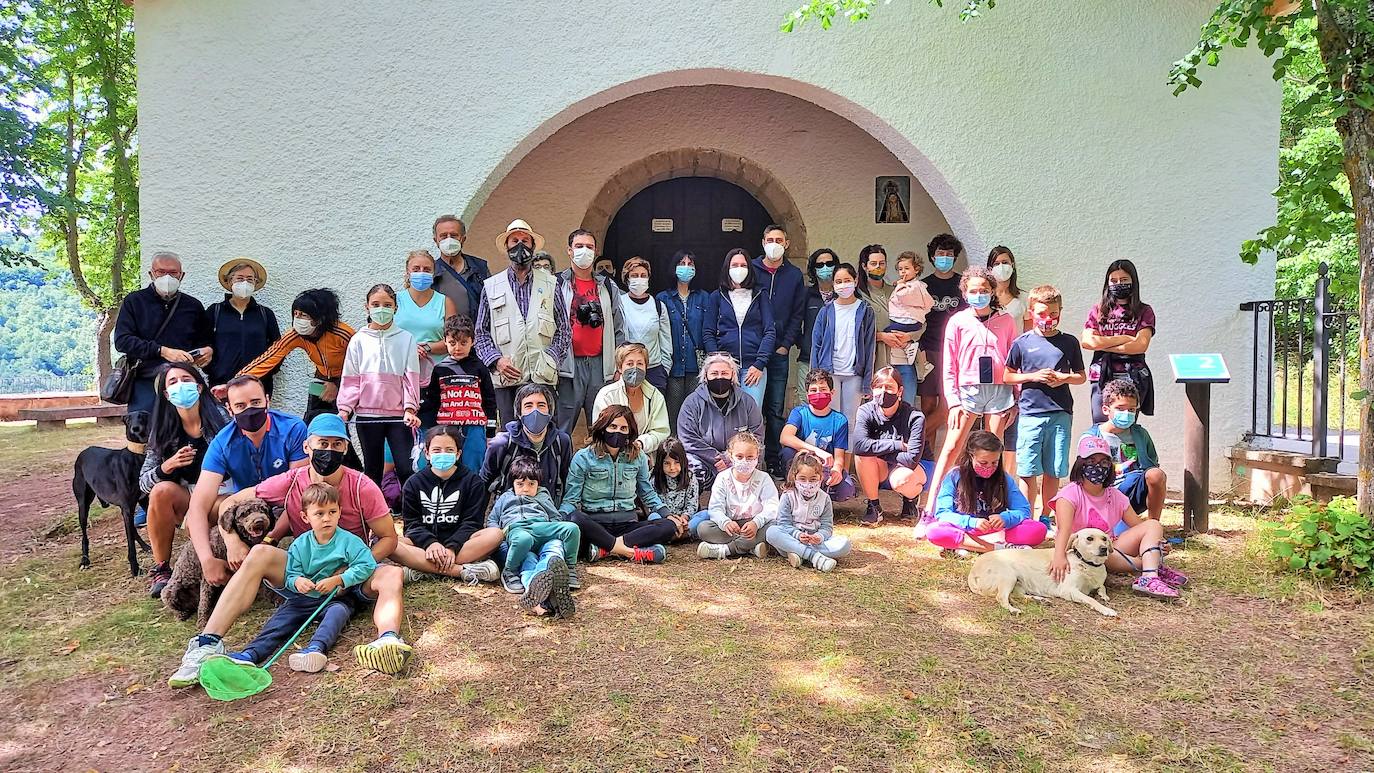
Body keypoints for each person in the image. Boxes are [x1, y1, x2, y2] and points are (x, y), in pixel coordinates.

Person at [167, 414, 412, 688]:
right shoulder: (291, 480)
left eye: (336, 444)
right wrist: (232, 541)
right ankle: (207, 643)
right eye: (322, 443)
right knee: (260, 554)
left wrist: (352, 570)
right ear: (307, 447)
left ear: (345, 448)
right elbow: (231, 502)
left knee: (391, 573)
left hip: (354, 571)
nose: (328, 451)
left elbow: (388, 538)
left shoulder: (361, 486)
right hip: (303, 570)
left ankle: (387, 639)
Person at [220, 482, 376, 673]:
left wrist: (339, 579)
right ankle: (250, 654)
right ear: (305, 517)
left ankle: (315, 649)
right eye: (319, 513)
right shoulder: (300, 545)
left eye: (332, 512)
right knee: (279, 621)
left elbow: (367, 564)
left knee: (337, 615)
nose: (327, 518)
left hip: (337, 598)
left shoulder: (349, 541)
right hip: (303, 600)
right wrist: (297, 582)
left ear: (339, 512)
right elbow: (291, 574)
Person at [179, 375, 309, 591]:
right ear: (230, 410)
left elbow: (299, 492)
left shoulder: (293, 429)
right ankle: (219, 565)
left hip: (286, 506)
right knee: (211, 508)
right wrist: (212, 556)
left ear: (267, 400)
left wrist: (269, 540)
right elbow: (198, 506)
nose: (249, 410)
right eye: (240, 405)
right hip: (244, 509)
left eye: (256, 402)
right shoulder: (222, 442)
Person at [926, 266, 1017, 518]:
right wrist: (952, 401)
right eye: (974, 290)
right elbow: (949, 364)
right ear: (965, 293)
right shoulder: (957, 321)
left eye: (984, 290)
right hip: (967, 391)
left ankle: (990, 508)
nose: (979, 294)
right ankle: (932, 508)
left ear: (992, 291)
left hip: (999, 391)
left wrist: (1015, 398)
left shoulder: (1006, 320)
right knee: (952, 446)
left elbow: (1013, 361)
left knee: (991, 452)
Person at [1049, 435, 1188, 600]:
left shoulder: (1114, 495)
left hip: (1109, 546)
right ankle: (1152, 568)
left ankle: (1149, 575)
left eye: (1104, 462)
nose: (1098, 467)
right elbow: (1063, 531)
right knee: (1108, 553)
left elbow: (1138, 526)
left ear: (1110, 466)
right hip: (1081, 551)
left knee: (1153, 525)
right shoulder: (1069, 495)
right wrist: (1059, 557)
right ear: (1081, 464)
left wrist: (1159, 541)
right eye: (1091, 461)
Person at [139, 364, 229, 597]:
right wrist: (167, 466)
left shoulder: (221, 418)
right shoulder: (162, 429)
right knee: (160, 492)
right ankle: (161, 569)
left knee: (211, 512)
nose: (180, 385)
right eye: (173, 382)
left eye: (186, 379)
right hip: (188, 495)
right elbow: (144, 483)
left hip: (223, 493)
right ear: (167, 395)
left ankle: (213, 563)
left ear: (199, 387)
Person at [1002, 285, 1087, 526]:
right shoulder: (1022, 343)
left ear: (1060, 311)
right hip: (1030, 414)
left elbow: (1081, 376)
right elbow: (1008, 376)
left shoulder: (1069, 342)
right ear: (1031, 311)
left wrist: (1063, 378)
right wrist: (1033, 376)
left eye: (1053, 313)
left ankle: (1046, 517)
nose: (1047, 319)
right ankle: (1026, 517)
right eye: (1041, 313)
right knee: (1028, 470)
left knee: (1054, 469)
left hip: (1060, 414)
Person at [474, 218, 571, 426]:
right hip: (507, 378)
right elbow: (481, 333)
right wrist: (496, 361)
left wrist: (551, 360)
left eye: (525, 240)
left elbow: (564, 330)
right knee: (511, 436)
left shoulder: (551, 283)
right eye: (514, 240)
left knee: (544, 434)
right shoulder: (491, 286)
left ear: (533, 246)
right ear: (507, 247)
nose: (520, 245)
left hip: (542, 377)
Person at [561, 405, 675, 563]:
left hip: (627, 525)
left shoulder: (638, 457)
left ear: (630, 432)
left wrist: (668, 515)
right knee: (574, 518)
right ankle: (631, 551)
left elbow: (647, 493)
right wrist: (560, 518)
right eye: (613, 426)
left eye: (623, 428)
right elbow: (571, 499)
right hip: (595, 525)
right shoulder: (583, 457)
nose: (617, 432)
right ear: (603, 428)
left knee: (668, 526)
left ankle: (606, 549)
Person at [337, 284, 421, 488]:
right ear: (367, 307)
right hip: (367, 417)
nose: (381, 309)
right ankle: (373, 514)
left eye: (387, 304)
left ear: (395, 308)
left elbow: (411, 377)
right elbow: (351, 378)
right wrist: (344, 410)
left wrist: (410, 408)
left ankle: (410, 515)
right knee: (372, 468)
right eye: (375, 304)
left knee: (406, 468)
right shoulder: (358, 340)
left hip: (398, 415)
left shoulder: (406, 339)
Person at [396, 425, 502, 583]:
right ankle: (460, 571)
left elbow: (472, 523)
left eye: (449, 450)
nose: (443, 454)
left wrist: (452, 547)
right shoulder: (413, 483)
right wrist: (430, 543)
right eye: (437, 450)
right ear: (427, 453)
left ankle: (423, 569)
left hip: (462, 544)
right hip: (423, 546)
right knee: (390, 543)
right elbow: (412, 524)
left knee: (495, 534)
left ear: (458, 454)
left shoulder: (473, 482)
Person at [113, 251, 212, 413]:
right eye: (161, 272)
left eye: (173, 273)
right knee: (145, 432)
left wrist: (208, 350)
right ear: (151, 274)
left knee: (186, 432)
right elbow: (122, 341)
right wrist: (162, 351)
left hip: (182, 384)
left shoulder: (193, 306)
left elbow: (205, 339)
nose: (167, 277)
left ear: (182, 275)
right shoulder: (134, 301)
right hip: (144, 382)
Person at [239, 288, 354, 422]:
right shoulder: (295, 335)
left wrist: (338, 384)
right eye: (296, 314)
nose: (298, 319)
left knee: (337, 427)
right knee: (312, 424)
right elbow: (270, 357)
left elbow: (361, 365)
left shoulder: (343, 334)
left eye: (304, 315)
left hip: (347, 383)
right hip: (321, 381)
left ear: (320, 318)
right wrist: (238, 381)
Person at [926, 431, 1046, 555]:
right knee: (934, 531)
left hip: (996, 531)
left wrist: (1005, 518)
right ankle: (999, 548)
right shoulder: (954, 476)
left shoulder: (1004, 478)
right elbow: (942, 513)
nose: (989, 467)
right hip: (965, 529)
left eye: (994, 462)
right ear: (971, 456)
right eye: (983, 463)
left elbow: (1023, 510)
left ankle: (970, 545)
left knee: (1038, 529)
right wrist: (971, 522)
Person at [486, 456, 579, 615]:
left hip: (542, 527)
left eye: (531, 484)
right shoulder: (505, 498)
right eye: (520, 484)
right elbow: (493, 520)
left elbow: (554, 516)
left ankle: (566, 569)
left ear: (538, 483)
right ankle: (512, 571)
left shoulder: (542, 495)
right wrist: (499, 538)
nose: (526, 489)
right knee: (526, 551)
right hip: (518, 530)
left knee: (570, 530)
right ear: (513, 483)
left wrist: (554, 531)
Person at [555, 228, 626, 435]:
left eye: (589, 247)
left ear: (596, 252)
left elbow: (619, 327)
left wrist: (618, 363)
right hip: (568, 366)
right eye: (579, 246)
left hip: (600, 365)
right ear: (569, 250)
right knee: (563, 427)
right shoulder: (558, 284)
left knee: (602, 426)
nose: (584, 251)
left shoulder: (607, 286)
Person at [751, 224, 807, 477]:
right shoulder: (750, 270)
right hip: (752, 350)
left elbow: (798, 313)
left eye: (779, 239)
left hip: (778, 352)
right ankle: (750, 457)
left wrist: (786, 344)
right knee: (750, 407)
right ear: (762, 241)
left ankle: (773, 458)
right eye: (769, 239)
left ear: (787, 244)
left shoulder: (794, 275)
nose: (774, 243)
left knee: (774, 408)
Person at [1081, 379, 1167, 522]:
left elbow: (1153, 465)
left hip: (1133, 492)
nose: (1126, 413)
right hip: (1105, 492)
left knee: (1156, 474)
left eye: (1131, 409)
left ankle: (1153, 524)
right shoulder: (1091, 437)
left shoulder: (1141, 435)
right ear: (1105, 409)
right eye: (1120, 409)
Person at [420, 315, 497, 474]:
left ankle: (474, 497)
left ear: (472, 341)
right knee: (448, 467)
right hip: (446, 428)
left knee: (474, 467)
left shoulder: (480, 368)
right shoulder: (440, 369)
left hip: (474, 428)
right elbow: (433, 401)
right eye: (452, 343)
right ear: (445, 341)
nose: (457, 348)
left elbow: (489, 401)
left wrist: (490, 433)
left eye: (463, 343)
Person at [1082, 259, 1156, 423]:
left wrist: (1104, 343)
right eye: (1113, 281)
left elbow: (1140, 345)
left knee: (1125, 425)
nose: (1118, 284)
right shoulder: (1098, 309)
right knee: (1101, 425)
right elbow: (1088, 342)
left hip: (1132, 375)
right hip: (1101, 374)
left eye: (1124, 280)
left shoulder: (1144, 311)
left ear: (1133, 282)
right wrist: (1123, 339)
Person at [853, 368, 927, 527]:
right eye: (878, 387)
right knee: (862, 455)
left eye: (889, 387)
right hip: (883, 465)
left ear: (900, 391)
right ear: (872, 390)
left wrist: (876, 451)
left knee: (902, 480)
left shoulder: (915, 416)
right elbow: (859, 446)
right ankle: (874, 507)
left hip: (916, 466)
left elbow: (912, 459)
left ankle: (910, 500)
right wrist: (897, 445)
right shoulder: (865, 411)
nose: (883, 391)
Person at [677, 352, 764, 487]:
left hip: (738, 459)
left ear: (733, 375)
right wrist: (715, 458)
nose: (719, 377)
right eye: (714, 373)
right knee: (690, 468)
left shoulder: (747, 402)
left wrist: (731, 458)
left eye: (724, 373)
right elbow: (687, 438)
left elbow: (757, 436)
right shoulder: (692, 403)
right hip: (705, 460)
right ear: (705, 376)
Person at [703, 248, 776, 409]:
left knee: (752, 414)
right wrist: (720, 362)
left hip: (753, 368)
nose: (739, 269)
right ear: (727, 269)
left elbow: (769, 331)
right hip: (726, 368)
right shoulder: (716, 296)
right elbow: (708, 332)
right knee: (726, 415)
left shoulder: (760, 295)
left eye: (743, 265)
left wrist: (759, 363)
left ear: (750, 269)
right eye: (734, 265)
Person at [480, 383, 574, 506]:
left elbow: (568, 482)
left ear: (550, 411)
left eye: (541, 405)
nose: (535, 411)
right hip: (511, 514)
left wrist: (562, 515)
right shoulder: (501, 444)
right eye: (528, 406)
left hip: (550, 515)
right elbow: (484, 483)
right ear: (519, 412)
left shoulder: (561, 442)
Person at [395, 249, 459, 427]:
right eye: (416, 269)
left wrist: (428, 348)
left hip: (436, 378)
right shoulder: (395, 301)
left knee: (435, 431)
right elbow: (383, 337)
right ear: (407, 272)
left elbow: (453, 341)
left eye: (426, 269)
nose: (421, 273)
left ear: (434, 272)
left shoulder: (445, 302)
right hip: (400, 377)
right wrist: (408, 350)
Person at [916, 234, 967, 456]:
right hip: (928, 350)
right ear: (932, 256)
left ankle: (913, 443)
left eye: (949, 254)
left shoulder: (962, 285)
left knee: (947, 408)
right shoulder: (923, 285)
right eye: (940, 254)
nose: (944, 258)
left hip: (954, 352)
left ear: (955, 257)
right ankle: (927, 457)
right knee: (927, 405)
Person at [809, 263, 875, 421]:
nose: (843, 285)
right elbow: (816, 345)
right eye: (838, 281)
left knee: (850, 420)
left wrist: (867, 382)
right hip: (829, 373)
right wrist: (815, 378)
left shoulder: (866, 310)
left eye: (847, 280)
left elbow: (870, 346)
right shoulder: (825, 311)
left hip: (854, 374)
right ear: (833, 283)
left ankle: (849, 448)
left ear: (856, 280)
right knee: (830, 419)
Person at [696, 431, 778, 560]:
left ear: (757, 456)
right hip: (732, 526)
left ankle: (727, 550)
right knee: (703, 528)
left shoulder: (764, 478)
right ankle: (751, 547)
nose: (744, 461)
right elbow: (715, 508)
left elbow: (772, 507)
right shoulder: (722, 478)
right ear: (730, 455)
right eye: (739, 457)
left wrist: (756, 523)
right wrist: (725, 522)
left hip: (756, 525)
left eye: (750, 457)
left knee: (775, 527)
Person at [766, 451, 851, 572]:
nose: (807, 484)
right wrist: (798, 535)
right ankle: (814, 557)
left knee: (845, 544)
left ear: (821, 478)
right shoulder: (788, 496)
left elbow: (827, 526)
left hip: (814, 542)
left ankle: (799, 554)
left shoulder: (825, 498)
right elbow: (783, 524)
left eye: (813, 479)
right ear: (794, 477)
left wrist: (819, 536)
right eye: (802, 479)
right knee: (771, 532)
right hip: (792, 538)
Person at [205, 257, 278, 396]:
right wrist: (215, 371)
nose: (245, 282)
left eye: (250, 279)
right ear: (229, 281)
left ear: (255, 283)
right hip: (221, 385)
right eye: (239, 278)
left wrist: (268, 372)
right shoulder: (215, 311)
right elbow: (203, 342)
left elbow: (278, 347)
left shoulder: (265, 314)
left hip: (259, 385)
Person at [780, 369, 856, 502]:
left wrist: (837, 470)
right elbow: (785, 437)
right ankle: (795, 491)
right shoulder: (799, 413)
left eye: (823, 389)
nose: (818, 393)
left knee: (846, 490)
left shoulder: (839, 420)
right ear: (807, 393)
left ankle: (820, 497)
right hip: (801, 466)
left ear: (832, 393)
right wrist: (818, 452)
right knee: (787, 453)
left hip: (825, 469)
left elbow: (839, 457)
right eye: (814, 390)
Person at [657, 250, 710, 431]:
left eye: (690, 264)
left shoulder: (704, 298)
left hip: (696, 366)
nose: (686, 268)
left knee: (695, 414)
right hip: (673, 367)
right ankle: (672, 455)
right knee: (672, 414)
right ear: (674, 267)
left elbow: (709, 330)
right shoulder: (662, 298)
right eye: (682, 263)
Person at [987, 246, 1029, 474]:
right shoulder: (985, 298)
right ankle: (989, 471)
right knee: (993, 423)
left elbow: (1030, 334)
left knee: (1014, 420)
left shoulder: (1023, 298)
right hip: (990, 367)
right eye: (997, 263)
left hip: (1016, 366)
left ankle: (1008, 476)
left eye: (1006, 262)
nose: (1002, 267)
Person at [592, 343, 670, 456]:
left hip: (644, 458)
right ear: (620, 367)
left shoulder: (655, 396)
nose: (635, 368)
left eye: (640, 364)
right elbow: (599, 430)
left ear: (646, 367)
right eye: (629, 364)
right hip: (608, 457)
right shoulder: (606, 395)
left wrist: (640, 444)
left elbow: (661, 432)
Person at [617, 257, 674, 389]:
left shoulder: (658, 306)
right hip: (627, 368)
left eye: (643, 275)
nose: (639, 279)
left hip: (654, 371)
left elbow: (666, 341)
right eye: (634, 275)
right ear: (627, 278)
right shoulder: (619, 304)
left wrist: (664, 370)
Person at [885, 251, 935, 398]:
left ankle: (915, 355)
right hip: (912, 323)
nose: (903, 272)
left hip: (907, 322)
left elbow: (902, 296)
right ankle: (922, 361)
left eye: (906, 268)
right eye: (900, 269)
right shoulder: (914, 285)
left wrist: (899, 285)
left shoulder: (914, 287)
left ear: (916, 269)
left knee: (890, 331)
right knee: (917, 343)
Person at [795, 248, 839, 405]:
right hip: (808, 359)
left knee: (834, 403)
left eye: (829, 263)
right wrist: (804, 343)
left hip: (837, 361)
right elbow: (795, 321)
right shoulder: (806, 294)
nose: (825, 268)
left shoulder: (844, 295)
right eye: (820, 265)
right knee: (806, 404)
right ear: (813, 269)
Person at [430, 214, 491, 320]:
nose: (449, 240)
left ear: (463, 239)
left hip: (476, 332)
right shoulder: (431, 271)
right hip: (444, 334)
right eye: (444, 236)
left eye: (454, 235)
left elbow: (492, 299)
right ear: (436, 240)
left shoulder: (479, 267)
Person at [652, 438, 709, 542]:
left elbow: (692, 504)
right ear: (660, 463)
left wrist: (684, 518)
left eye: (676, 462)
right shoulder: (655, 479)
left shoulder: (690, 477)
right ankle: (673, 534)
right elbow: (654, 505)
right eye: (667, 463)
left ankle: (679, 535)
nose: (672, 467)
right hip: (665, 520)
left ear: (683, 461)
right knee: (653, 517)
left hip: (685, 521)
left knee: (706, 514)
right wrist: (669, 519)